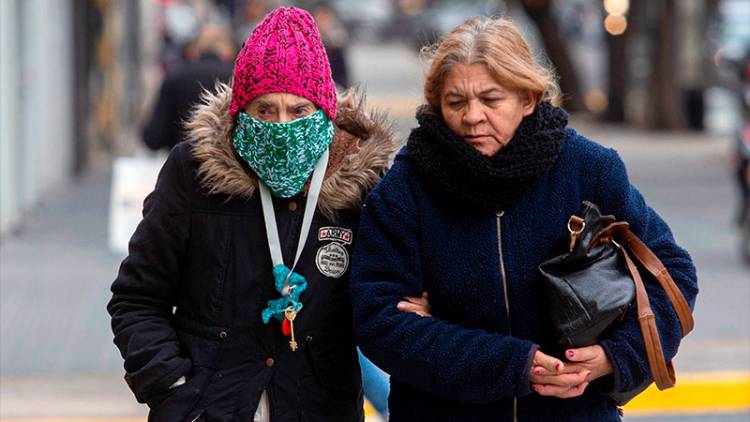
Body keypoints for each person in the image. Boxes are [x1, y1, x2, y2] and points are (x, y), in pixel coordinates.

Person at [350, 16, 698, 421]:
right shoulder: (406, 187)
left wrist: (613, 356)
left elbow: (672, 273)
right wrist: (514, 364)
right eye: (455, 102)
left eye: (491, 99)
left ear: (528, 99)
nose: (472, 116)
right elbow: (379, 319)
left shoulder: (587, 169)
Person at [108, 7, 396, 421]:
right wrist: (170, 387)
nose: (281, 126)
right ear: (242, 110)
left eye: (298, 111)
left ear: (324, 112)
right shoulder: (193, 171)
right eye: (265, 110)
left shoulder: (363, 185)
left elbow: (386, 306)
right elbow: (137, 297)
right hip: (208, 409)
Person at [142, 25, 236, 152]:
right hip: (227, 169)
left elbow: (153, 138)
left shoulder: (175, 77)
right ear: (228, 52)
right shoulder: (237, 81)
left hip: (181, 167)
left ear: (194, 50)